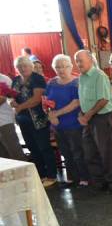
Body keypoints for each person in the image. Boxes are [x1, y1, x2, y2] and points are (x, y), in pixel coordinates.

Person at [75, 50, 112, 192]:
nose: (78, 64)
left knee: (105, 151)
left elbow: (103, 99)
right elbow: (82, 98)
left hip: (100, 117)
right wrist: (81, 114)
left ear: (89, 60)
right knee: (90, 151)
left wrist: (87, 115)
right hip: (88, 117)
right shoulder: (81, 77)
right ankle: (100, 182)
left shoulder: (99, 76)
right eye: (76, 61)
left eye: (80, 60)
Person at [10, 56, 57, 186]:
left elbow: (37, 99)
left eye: (25, 66)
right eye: (19, 67)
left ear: (31, 66)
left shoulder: (37, 78)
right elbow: (12, 95)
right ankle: (40, 174)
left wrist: (19, 107)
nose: (22, 68)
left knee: (44, 147)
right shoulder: (16, 80)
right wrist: (12, 102)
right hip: (23, 119)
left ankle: (52, 175)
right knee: (32, 148)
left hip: (38, 119)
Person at [46, 55, 89, 187]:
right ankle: (71, 177)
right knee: (65, 152)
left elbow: (75, 103)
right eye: (58, 67)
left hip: (73, 123)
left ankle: (84, 177)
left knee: (78, 152)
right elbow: (47, 101)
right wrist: (50, 115)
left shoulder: (76, 82)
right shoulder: (52, 83)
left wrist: (56, 114)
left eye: (64, 66)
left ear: (70, 67)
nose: (61, 69)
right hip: (58, 125)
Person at [0, 72, 26, 161]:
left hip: (4, 121)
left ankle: (24, 174)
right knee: (3, 156)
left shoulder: (3, 79)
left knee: (15, 152)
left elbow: (5, 98)